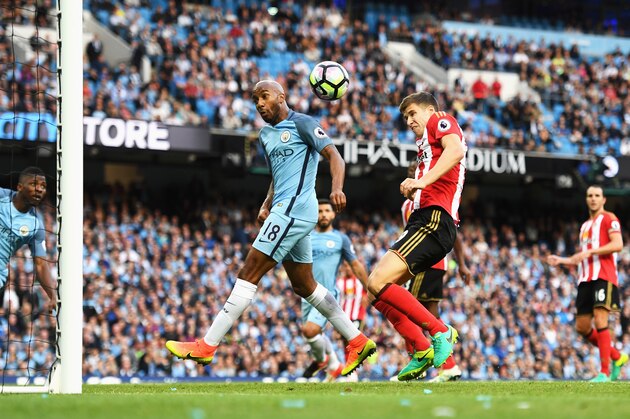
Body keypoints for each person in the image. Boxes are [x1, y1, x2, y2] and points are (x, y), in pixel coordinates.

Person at [166, 80, 376, 376]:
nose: (259, 104)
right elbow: (278, 177)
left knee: (249, 272)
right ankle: (356, 339)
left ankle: (207, 345)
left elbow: (335, 156)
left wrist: (337, 188)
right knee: (304, 285)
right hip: (282, 209)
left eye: (264, 97)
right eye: (255, 100)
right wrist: (266, 202)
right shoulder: (265, 135)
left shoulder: (303, 123)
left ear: (281, 96)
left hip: (296, 210)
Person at [367, 92, 467, 379]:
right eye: (405, 117)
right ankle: (422, 348)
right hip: (424, 221)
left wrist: (421, 182)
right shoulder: (425, 142)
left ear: (429, 110)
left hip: (435, 219)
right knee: (378, 293)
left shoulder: (441, 120)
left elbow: (456, 150)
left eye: (412, 113)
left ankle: (439, 332)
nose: (409, 121)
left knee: (377, 281)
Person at [547, 185, 628, 382]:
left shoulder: (609, 218)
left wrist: (591, 252)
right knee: (582, 328)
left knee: (601, 319)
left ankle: (604, 373)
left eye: (597, 195)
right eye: (590, 195)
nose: (593, 199)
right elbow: (581, 257)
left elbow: (618, 245)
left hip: (604, 276)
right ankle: (617, 357)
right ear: (586, 199)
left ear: (603, 200)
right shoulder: (584, 226)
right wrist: (562, 260)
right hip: (585, 279)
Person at [401, 162, 471, 382]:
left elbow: (451, 234)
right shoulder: (429, 201)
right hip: (435, 264)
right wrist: (461, 264)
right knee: (431, 314)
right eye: (413, 174)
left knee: (405, 308)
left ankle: (418, 361)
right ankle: (449, 366)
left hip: (424, 263)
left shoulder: (425, 202)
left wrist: (461, 264)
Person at [301, 199, 369, 382]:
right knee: (312, 334)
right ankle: (334, 366)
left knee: (310, 331)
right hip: (305, 295)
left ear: (333, 214)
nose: (323, 214)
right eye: (319, 211)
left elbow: (355, 265)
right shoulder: (305, 236)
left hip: (326, 294)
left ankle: (322, 361)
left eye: (326, 211)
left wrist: (370, 289)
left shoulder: (341, 239)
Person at [0, 167, 56, 310]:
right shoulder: (2, 197)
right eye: (34, 184)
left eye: (43, 186)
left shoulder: (36, 225)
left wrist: (53, 295)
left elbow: (41, 265)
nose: (39, 189)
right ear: (20, 187)